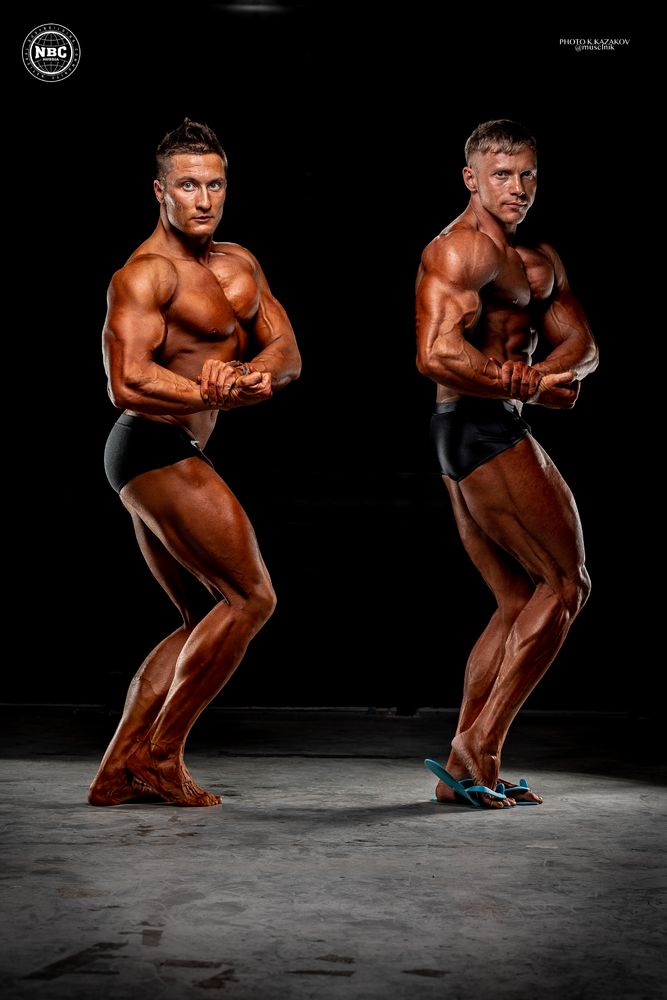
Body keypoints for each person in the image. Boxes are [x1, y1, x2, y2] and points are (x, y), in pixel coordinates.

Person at [89, 118, 301, 807]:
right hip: (149, 444)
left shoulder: (240, 263)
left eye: (214, 185)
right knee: (251, 597)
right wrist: (209, 392)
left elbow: (287, 352)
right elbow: (126, 380)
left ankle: (116, 772)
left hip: (170, 450)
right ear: (159, 191)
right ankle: (161, 754)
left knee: (198, 620)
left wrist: (250, 376)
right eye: (187, 186)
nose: (203, 199)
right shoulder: (144, 274)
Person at [415, 119, 598, 809]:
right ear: (470, 178)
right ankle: (480, 748)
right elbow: (435, 354)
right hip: (475, 424)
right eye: (500, 174)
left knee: (518, 599)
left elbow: (583, 346)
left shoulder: (539, 258)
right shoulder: (459, 250)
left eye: (526, 174)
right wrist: (524, 387)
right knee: (566, 584)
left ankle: (461, 769)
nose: (516, 187)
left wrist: (540, 378)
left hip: (481, 424)